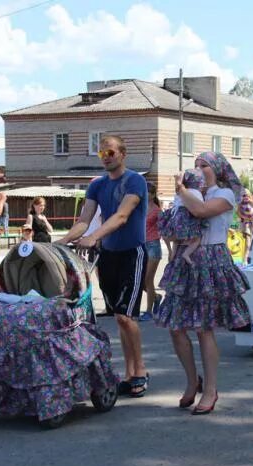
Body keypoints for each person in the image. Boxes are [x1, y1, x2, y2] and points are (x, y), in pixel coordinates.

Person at [156, 151, 250, 415]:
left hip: (210, 262)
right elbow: (174, 224)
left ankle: (210, 389)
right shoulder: (190, 193)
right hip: (185, 263)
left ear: (218, 169)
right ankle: (191, 381)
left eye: (204, 165)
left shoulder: (225, 194)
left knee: (203, 328)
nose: (198, 169)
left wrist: (180, 190)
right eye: (195, 165)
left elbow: (200, 212)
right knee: (176, 327)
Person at [56, 134, 150, 398]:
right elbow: (84, 221)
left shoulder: (135, 180)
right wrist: (61, 242)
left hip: (133, 253)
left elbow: (121, 216)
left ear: (122, 153)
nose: (106, 157)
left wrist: (95, 237)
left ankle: (140, 370)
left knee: (125, 315)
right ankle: (130, 373)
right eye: (101, 153)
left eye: (110, 152)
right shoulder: (97, 185)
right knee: (120, 319)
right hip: (109, 255)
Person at [159, 169, 207, 266]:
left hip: (177, 217)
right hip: (188, 217)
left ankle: (173, 253)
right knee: (197, 238)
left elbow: (175, 202)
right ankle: (186, 254)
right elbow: (201, 207)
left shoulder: (180, 191)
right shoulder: (196, 193)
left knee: (177, 239)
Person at [139, 182, 163, 322]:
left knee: (148, 279)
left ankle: (149, 312)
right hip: (140, 245)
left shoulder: (157, 211)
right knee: (140, 281)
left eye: (148, 191)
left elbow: (164, 230)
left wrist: (171, 249)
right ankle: (156, 298)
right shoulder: (139, 208)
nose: (145, 193)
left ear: (153, 194)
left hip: (153, 246)